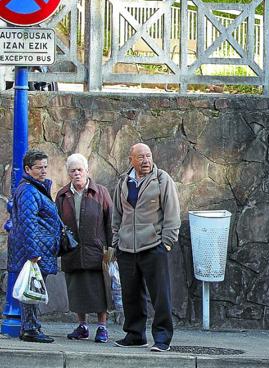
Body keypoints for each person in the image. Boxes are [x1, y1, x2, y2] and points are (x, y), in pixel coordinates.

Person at [111, 143, 180, 352]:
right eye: (140, 157)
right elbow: (117, 214)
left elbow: (172, 212)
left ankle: (162, 338)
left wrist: (167, 242)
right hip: (126, 248)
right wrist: (116, 241)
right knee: (131, 295)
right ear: (131, 159)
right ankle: (135, 335)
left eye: (148, 156)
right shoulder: (124, 181)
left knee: (160, 295)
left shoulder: (162, 179)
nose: (146, 160)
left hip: (153, 245)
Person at [55, 154, 113, 343]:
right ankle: (82, 326)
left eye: (80, 169)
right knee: (76, 289)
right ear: (69, 173)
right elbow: (57, 224)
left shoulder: (101, 192)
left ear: (87, 171)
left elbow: (110, 221)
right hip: (71, 251)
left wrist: (111, 248)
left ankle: (102, 327)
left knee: (99, 290)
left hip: (96, 251)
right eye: (73, 170)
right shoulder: (63, 195)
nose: (77, 173)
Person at [8, 149, 62, 343]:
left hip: (39, 247)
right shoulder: (30, 191)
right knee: (32, 290)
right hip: (36, 249)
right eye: (39, 168)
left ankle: (30, 327)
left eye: (46, 167)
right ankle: (30, 329)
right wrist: (33, 252)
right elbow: (27, 222)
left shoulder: (35, 188)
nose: (44, 171)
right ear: (28, 169)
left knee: (33, 289)